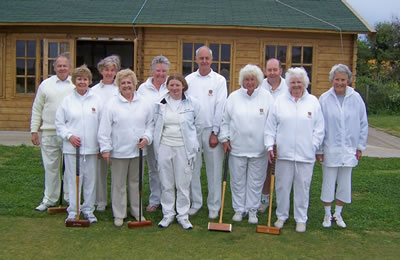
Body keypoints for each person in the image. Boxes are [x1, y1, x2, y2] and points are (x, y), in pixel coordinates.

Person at [264, 67, 324, 232]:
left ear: (305, 83)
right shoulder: (279, 102)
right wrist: (270, 146)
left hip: (305, 155)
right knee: (282, 187)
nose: (296, 85)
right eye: (293, 82)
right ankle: (281, 216)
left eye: (299, 82)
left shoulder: (313, 102)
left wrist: (313, 145)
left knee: (303, 188)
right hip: (283, 154)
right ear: (288, 84)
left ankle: (301, 218)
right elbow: (270, 128)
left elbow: (319, 129)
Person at [98, 69, 154, 227]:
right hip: (119, 152)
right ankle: (119, 214)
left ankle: (137, 212)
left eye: (129, 82)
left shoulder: (144, 102)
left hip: (138, 152)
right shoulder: (111, 104)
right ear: (118, 85)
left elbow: (150, 124)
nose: (126, 85)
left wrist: (147, 138)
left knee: (136, 182)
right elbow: (104, 129)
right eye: (123, 83)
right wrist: (106, 149)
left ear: (135, 84)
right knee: (119, 183)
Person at [219, 64, 274, 224]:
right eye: (246, 79)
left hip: (259, 149)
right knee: (237, 180)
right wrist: (225, 139)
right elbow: (225, 120)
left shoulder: (266, 97)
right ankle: (239, 209)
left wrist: (270, 143)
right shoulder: (234, 97)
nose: (249, 82)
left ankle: (252, 210)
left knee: (256, 181)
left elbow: (271, 123)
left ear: (258, 81)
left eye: (252, 79)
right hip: (237, 148)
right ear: (242, 81)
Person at [317, 64, 368, 228]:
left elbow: (363, 123)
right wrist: (319, 149)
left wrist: (359, 147)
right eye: (337, 79)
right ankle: (327, 215)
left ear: (348, 81)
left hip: (349, 149)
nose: (340, 83)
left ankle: (337, 214)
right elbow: (319, 126)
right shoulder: (324, 99)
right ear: (332, 80)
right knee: (328, 182)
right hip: (329, 148)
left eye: (343, 80)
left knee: (345, 183)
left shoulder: (356, 98)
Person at [153, 73, 202, 230]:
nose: (174, 88)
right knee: (166, 183)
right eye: (171, 85)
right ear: (167, 87)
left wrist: (193, 144)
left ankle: (183, 215)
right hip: (164, 146)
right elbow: (156, 124)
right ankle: (168, 214)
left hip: (183, 148)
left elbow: (198, 125)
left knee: (183, 184)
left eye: (177, 85)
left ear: (183, 87)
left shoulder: (192, 103)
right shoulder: (160, 103)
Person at [55, 65, 103, 223]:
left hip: (91, 149)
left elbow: (103, 123)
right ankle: (73, 211)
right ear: (74, 81)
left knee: (90, 180)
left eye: (85, 79)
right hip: (72, 149)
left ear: (89, 81)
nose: (82, 82)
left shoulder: (96, 99)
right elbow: (59, 124)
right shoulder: (67, 101)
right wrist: (69, 136)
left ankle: (88, 210)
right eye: (79, 79)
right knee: (73, 180)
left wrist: (101, 145)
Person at [185, 45, 227, 219]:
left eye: (206, 58)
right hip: (193, 130)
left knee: (214, 169)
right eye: (200, 58)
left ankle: (214, 205)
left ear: (211, 60)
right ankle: (196, 203)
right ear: (196, 60)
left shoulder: (219, 80)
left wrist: (216, 132)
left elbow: (221, 107)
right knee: (193, 168)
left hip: (211, 130)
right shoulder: (189, 79)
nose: (203, 61)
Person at [31, 53, 75, 211]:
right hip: (49, 132)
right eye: (59, 66)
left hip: (70, 134)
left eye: (65, 65)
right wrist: (34, 130)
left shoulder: (75, 85)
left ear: (70, 67)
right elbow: (37, 108)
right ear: (54, 68)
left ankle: (71, 199)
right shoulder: (45, 85)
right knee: (51, 168)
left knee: (70, 169)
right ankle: (49, 199)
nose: (62, 68)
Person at [137, 55, 170, 212]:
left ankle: (168, 200)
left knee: (167, 168)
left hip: (168, 134)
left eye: (164, 71)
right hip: (150, 133)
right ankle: (155, 199)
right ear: (152, 71)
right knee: (153, 168)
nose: (161, 74)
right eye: (158, 70)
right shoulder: (143, 89)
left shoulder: (171, 86)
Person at [258, 58, 289, 213]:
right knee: (265, 171)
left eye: (274, 70)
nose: (272, 73)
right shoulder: (260, 86)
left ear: (280, 71)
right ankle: (264, 200)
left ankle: (284, 202)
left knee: (282, 173)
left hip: (284, 137)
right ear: (265, 71)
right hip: (263, 136)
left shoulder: (288, 86)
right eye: (269, 70)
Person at [91, 55, 121, 212]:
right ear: (101, 71)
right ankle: (100, 201)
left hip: (118, 138)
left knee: (118, 174)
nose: (109, 73)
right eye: (106, 70)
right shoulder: (94, 91)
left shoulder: (120, 90)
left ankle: (118, 202)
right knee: (99, 173)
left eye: (112, 70)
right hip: (99, 137)